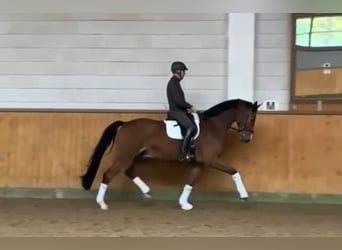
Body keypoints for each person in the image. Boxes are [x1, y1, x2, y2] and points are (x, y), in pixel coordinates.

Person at [166, 61, 197, 161]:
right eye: (183, 71)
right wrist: (190, 106)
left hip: (180, 110)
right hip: (176, 111)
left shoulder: (176, 83)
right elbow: (179, 101)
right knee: (191, 126)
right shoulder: (173, 83)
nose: (184, 74)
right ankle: (183, 153)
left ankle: (191, 149)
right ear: (178, 71)